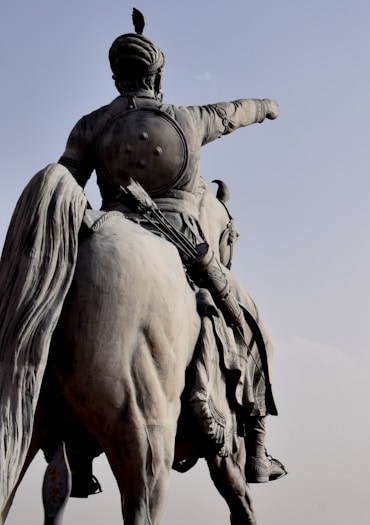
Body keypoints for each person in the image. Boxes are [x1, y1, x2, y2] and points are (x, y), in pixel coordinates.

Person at [57, 10, 286, 494]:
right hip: (184, 241)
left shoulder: (89, 126)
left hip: (109, 227)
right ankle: (256, 451)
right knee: (248, 323)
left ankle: (74, 446)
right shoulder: (187, 119)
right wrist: (268, 106)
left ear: (116, 78)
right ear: (158, 78)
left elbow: (67, 186)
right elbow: (236, 111)